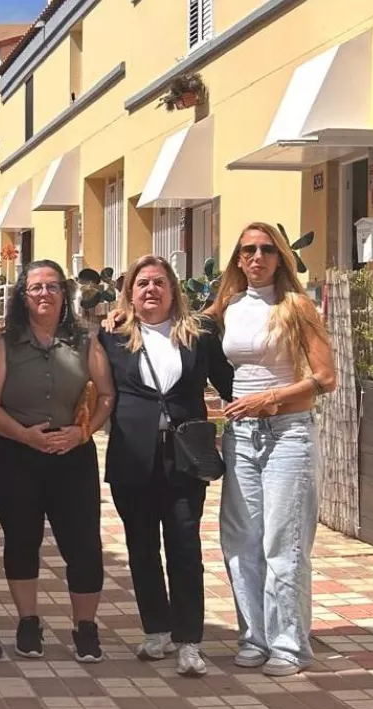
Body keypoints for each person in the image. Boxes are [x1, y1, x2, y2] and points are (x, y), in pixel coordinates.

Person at [97, 255, 233, 676]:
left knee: (185, 548)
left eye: (159, 282)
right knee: (141, 547)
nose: (151, 289)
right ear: (130, 294)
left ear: (173, 290)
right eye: (142, 284)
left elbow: (230, 383)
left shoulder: (200, 335)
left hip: (185, 458)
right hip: (132, 458)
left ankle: (190, 640)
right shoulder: (113, 338)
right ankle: (156, 629)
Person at [0, 260, 115, 663]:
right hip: (12, 454)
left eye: (52, 287)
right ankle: (28, 621)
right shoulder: (6, 344)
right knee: (23, 538)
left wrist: (83, 433)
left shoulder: (86, 341)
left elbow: (106, 394)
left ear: (64, 294)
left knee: (84, 543)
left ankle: (85, 627)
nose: (44, 295)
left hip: (72, 453)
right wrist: (24, 435)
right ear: (22, 295)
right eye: (35, 288)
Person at [213, 223, 336, 677]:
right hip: (241, 435)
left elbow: (326, 377)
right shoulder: (229, 306)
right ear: (238, 259)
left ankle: (289, 644)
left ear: (281, 256)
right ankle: (254, 637)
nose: (257, 257)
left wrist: (270, 399)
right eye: (248, 250)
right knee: (241, 542)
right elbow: (189, 332)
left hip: (288, 433)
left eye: (266, 249)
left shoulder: (296, 306)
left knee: (283, 544)